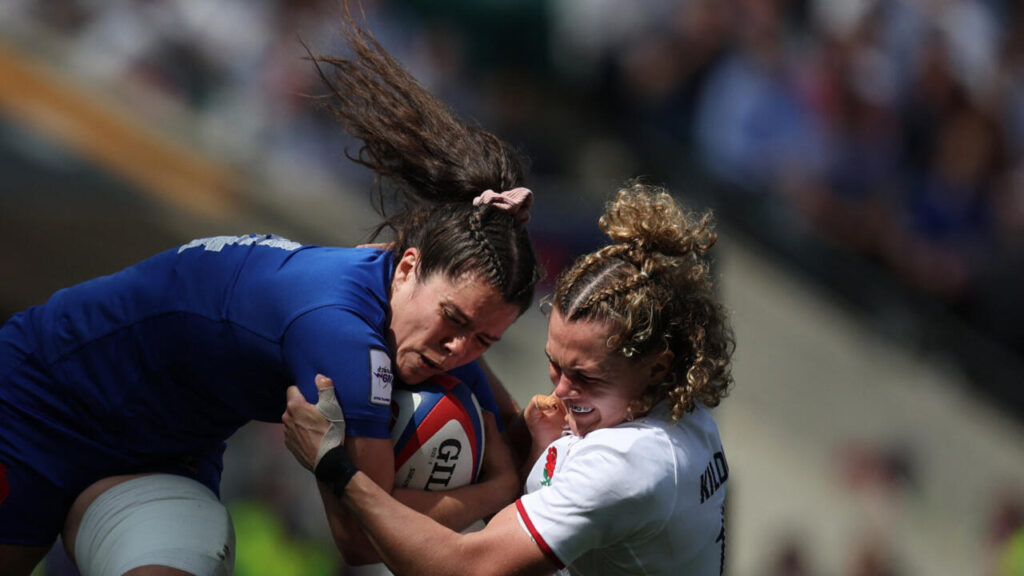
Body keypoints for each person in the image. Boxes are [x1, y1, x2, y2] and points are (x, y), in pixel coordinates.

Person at [0, 5, 540, 575]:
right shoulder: (341, 335)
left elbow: (510, 421)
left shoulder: (412, 314)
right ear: (406, 267)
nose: (460, 351)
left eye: (485, 339)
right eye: (454, 321)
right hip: (42, 402)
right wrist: (500, 488)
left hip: (164, 460)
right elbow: (361, 539)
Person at [284, 181, 736, 575]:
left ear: (657, 365)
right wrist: (411, 296)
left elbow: (459, 567)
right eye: (555, 364)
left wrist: (335, 465)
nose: (560, 390)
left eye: (585, 377)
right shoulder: (675, 410)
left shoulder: (632, 463)